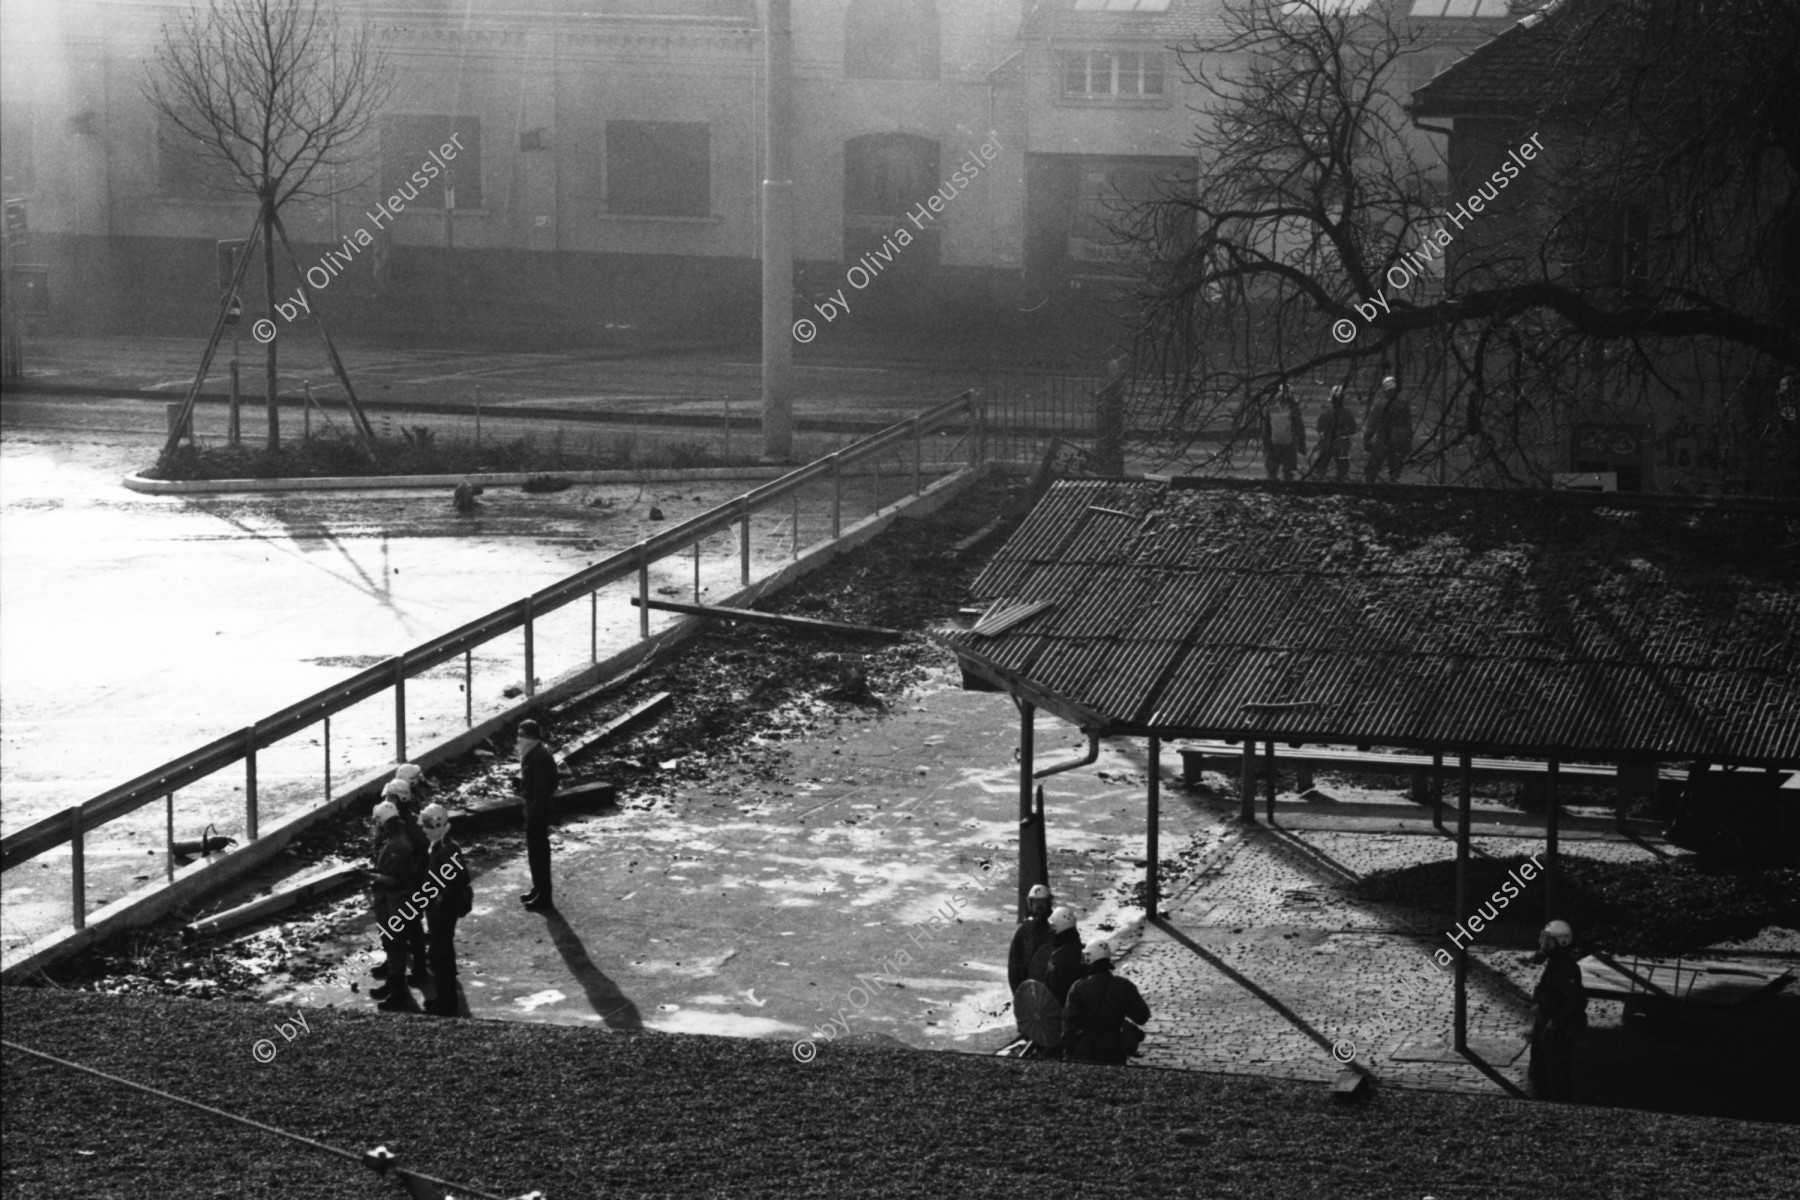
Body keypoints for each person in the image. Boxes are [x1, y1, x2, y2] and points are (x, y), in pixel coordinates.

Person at [418, 803, 475, 1017]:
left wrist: (442, 895)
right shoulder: (440, 845)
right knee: (438, 953)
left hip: (443, 911)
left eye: (427, 825)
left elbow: (462, 878)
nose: (424, 830)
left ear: (438, 825)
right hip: (437, 909)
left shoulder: (448, 849)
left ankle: (447, 1001)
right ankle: (443, 997)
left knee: (441, 955)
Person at [365, 799, 421, 1012]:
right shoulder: (394, 840)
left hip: (395, 900)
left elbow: (395, 879)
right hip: (389, 900)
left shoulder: (398, 845)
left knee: (395, 944)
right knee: (390, 944)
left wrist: (368, 875)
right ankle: (394, 984)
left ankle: (399, 993)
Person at [1063, 941, 1152, 1065]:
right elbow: (1142, 1016)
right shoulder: (1123, 985)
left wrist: (1067, 1050)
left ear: (1089, 959)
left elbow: (1069, 1024)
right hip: (1114, 1048)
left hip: (1085, 1050)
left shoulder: (1078, 987)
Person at [1528, 919, 1586, 1101]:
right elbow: (1543, 986)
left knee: (1555, 1069)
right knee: (1539, 1065)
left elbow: (1577, 1000)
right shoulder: (1554, 963)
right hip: (1546, 1019)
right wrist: (1538, 1002)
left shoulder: (1567, 968)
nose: (1545, 945)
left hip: (1556, 1026)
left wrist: (1557, 1021)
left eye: (1549, 941)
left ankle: (1556, 1101)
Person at [517, 719, 559, 912]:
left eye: (523, 735)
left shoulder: (540, 756)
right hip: (533, 810)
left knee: (540, 854)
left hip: (538, 812)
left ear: (533, 737)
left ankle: (545, 896)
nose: (519, 739)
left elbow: (543, 788)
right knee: (534, 854)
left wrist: (534, 810)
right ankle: (538, 888)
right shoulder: (533, 753)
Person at [1363, 374, 1413, 483]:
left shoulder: (1379, 404)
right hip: (1398, 440)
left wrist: (1367, 440)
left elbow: (1371, 424)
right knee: (1395, 470)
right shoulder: (1402, 404)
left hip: (1383, 439)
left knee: (1372, 468)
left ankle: (1368, 490)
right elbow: (1408, 426)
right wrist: (1408, 444)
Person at [1033, 906, 1086, 1005]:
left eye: (1053, 926)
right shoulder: (1083, 951)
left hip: (1063, 1009)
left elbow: (1051, 988)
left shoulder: (1058, 956)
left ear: (1057, 928)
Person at [1009, 884, 1055, 994]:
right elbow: (1014, 966)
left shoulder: (1055, 928)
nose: (1039, 910)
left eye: (1042, 904)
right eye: (1036, 904)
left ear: (1048, 904)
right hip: (1028, 987)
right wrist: (1018, 994)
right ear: (1030, 904)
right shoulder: (1023, 931)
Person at [1262, 384, 1307, 482]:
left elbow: (1266, 429)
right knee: (1288, 473)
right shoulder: (1293, 409)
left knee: (1271, 473)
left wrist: (1266, 445)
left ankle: (1270, 490)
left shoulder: (1271, 407)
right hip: (1289, 444)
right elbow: (1299, 427)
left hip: (1274, 443)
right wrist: (1302, 445)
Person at [1314, 386, 1358, 482]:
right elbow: (1354, 429)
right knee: (1342, 470)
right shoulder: (1347, 413)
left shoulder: (1325, 413)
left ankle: (1318, 484)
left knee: (1321, 468)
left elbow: (1319, 428)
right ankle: (1340, 484)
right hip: (1342, 444)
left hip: (1327, 444)